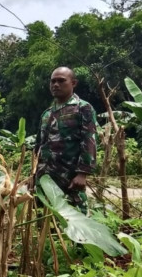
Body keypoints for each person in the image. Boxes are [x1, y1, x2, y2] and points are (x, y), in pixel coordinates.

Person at [34, 66, 98, 213]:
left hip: (69, 178)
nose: (56, 85)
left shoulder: (83, 108)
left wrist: (82, 173)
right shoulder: (46, 114)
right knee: (44, 222)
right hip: (45, 178)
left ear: (73, 83)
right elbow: (39, 146)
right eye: (53, 81)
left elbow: (89, 141)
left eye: (61, 81)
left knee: (75, 221)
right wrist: (34, 174)